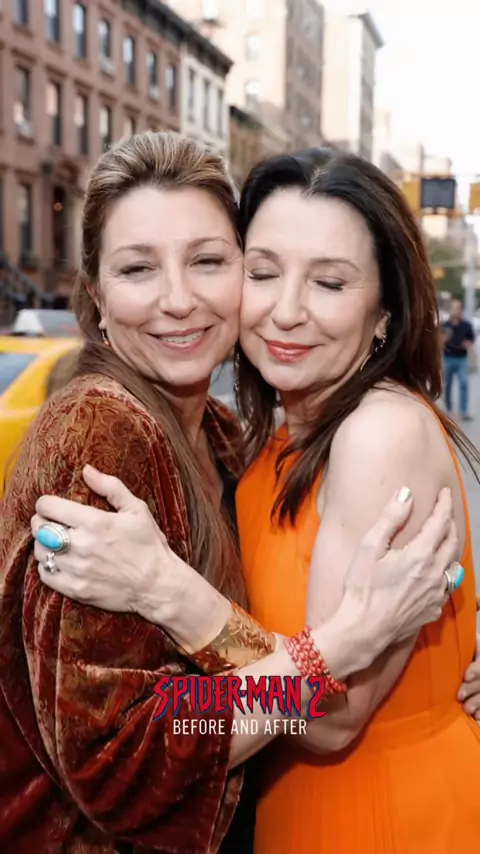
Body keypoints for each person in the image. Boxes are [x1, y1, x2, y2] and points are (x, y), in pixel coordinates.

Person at [0, 133, 461, 854]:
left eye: (209, 261)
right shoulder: (100, 438)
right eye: (138, 268)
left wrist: (170, 590)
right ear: (96, 296)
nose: (179, 299)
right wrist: (336, 648)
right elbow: (129, 746)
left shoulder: (229, 434)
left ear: (386, 314)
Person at [443, 296, 475, 421]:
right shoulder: (445, 325)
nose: (455, 310)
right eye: (453, 308)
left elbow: (471, 339)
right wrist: (444, 338)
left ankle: (463, 411)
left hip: (462, 358)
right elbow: (438, 341)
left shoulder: (466, 325)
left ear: (461, 310)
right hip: (448, 358)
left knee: (464, 383)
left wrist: (468, 343)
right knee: (447, 384)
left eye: (458, 308)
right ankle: (448, 409)